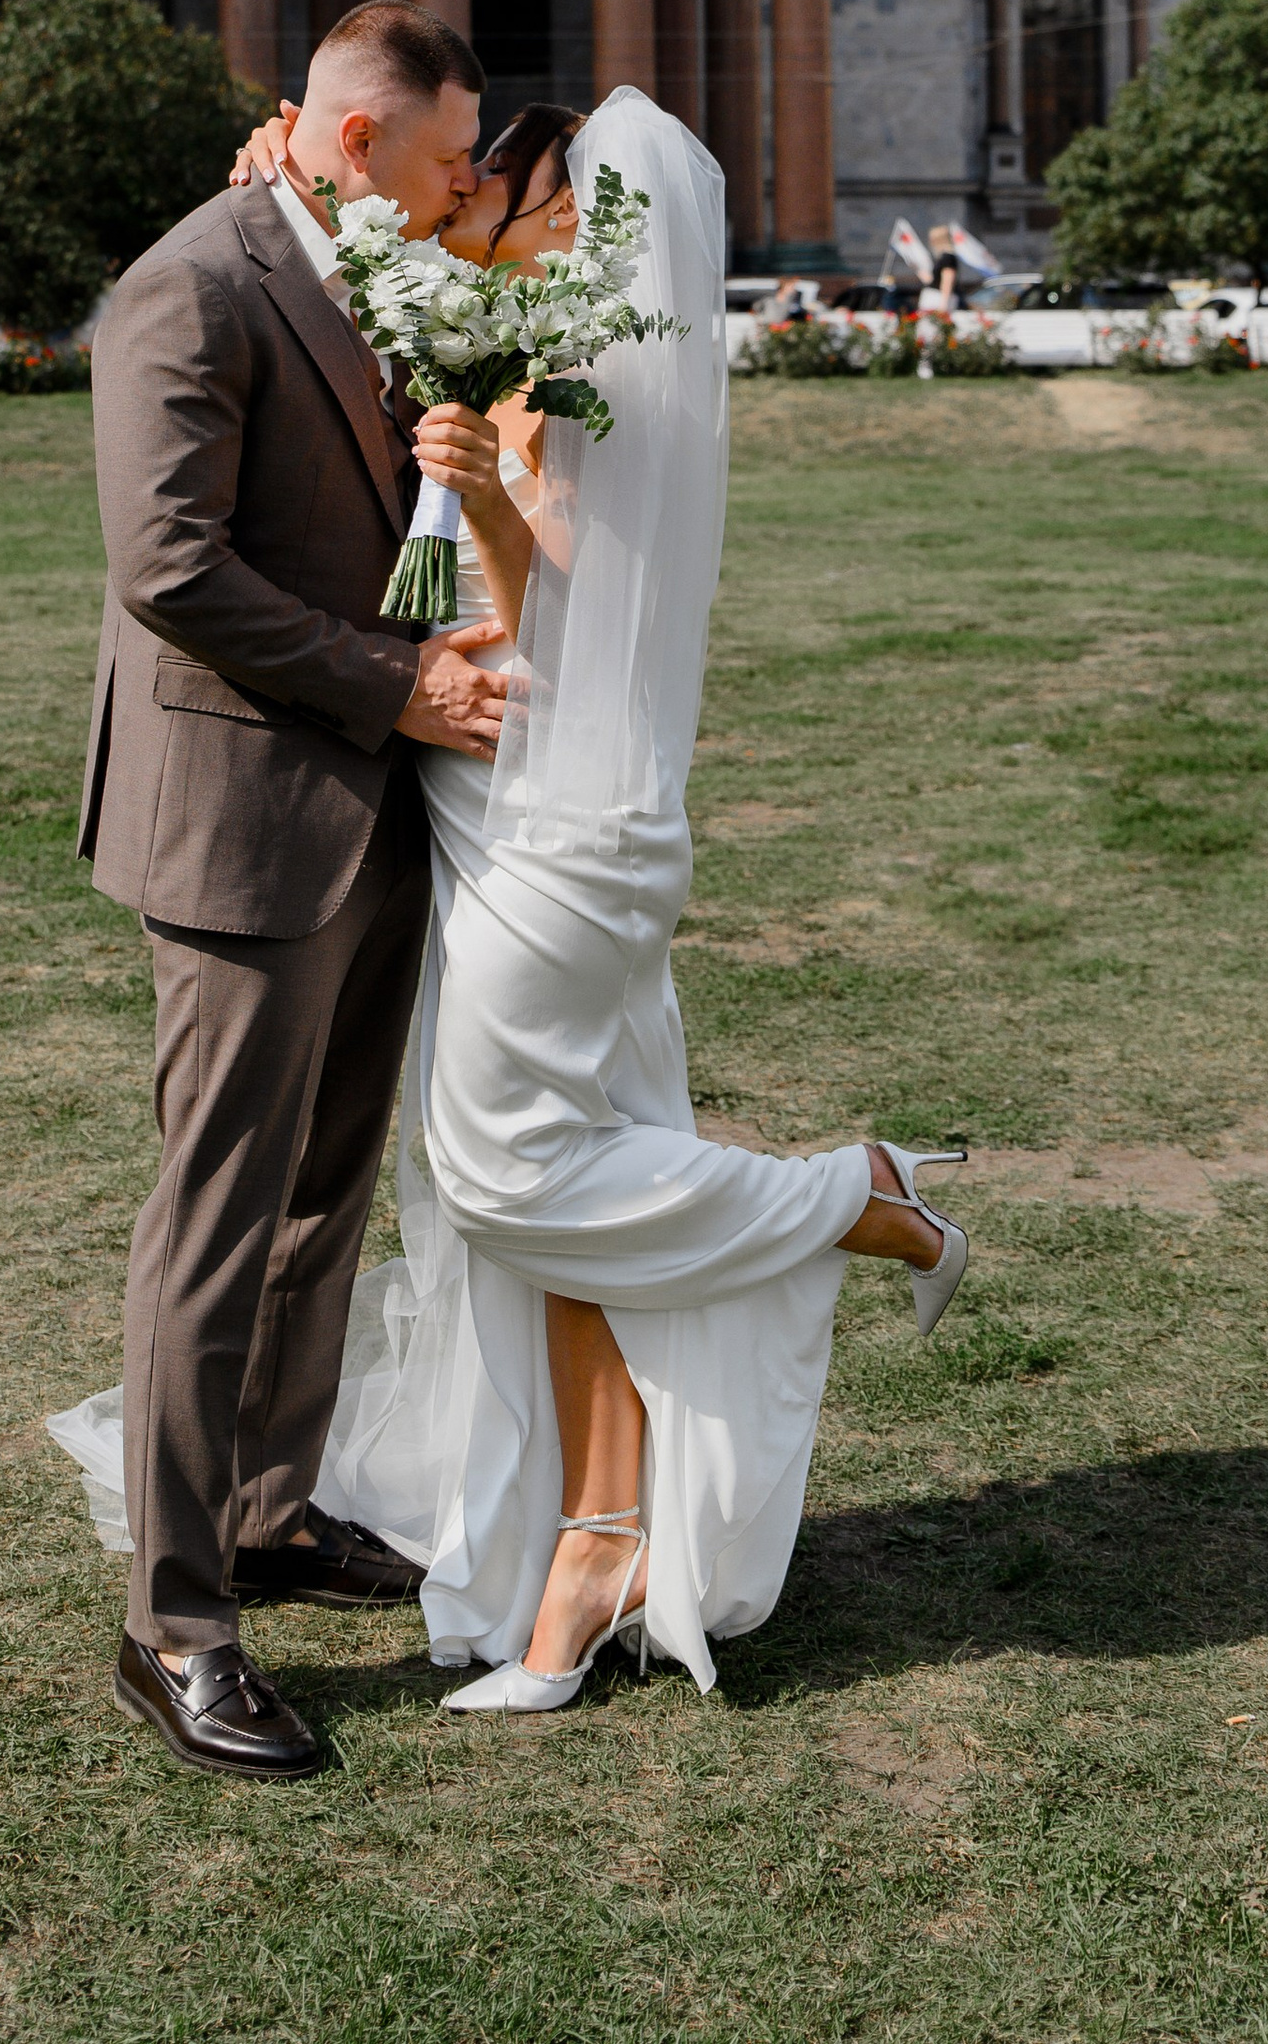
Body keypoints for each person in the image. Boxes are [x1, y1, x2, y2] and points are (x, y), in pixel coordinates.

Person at [200, 86, 972, 1711]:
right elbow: (450, 567)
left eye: (503, 180)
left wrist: (471, 475)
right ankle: (597, 1541)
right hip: (488, 797)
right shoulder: (500, 337)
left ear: (568, 223)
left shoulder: (578, 359)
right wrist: (312, 204)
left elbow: (542, 573)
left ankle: (852, 1195)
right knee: (558, 1191)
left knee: (501, 1171)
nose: (469, 189)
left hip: (558, 822)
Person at [81, 0, 511, 1785]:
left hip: (374, 813)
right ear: (349, 145)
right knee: (220, 1216)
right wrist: (395, 683)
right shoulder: (189, 283)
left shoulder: (364, 254)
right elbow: (171, 563)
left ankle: (268, 1510)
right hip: (248, 813)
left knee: (326, 1197)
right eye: (438, 160)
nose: (462, 188)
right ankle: (176, 1627)